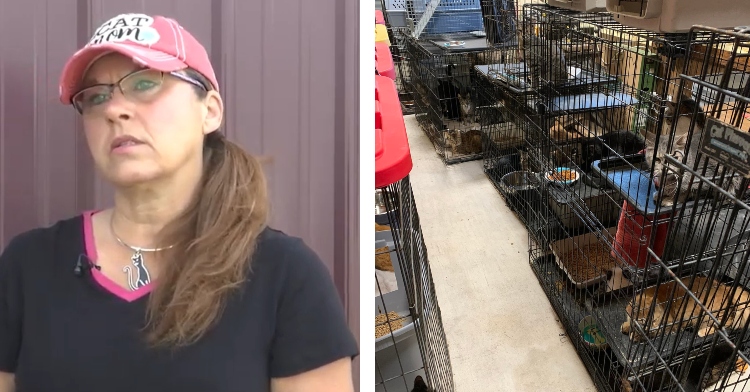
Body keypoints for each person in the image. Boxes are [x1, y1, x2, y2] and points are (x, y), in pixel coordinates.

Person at [0, 13, 358, 392]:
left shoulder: (284, 275)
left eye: (144, 83)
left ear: (210, 111)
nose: (113, 110)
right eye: (96, 96)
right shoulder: (29, 266)